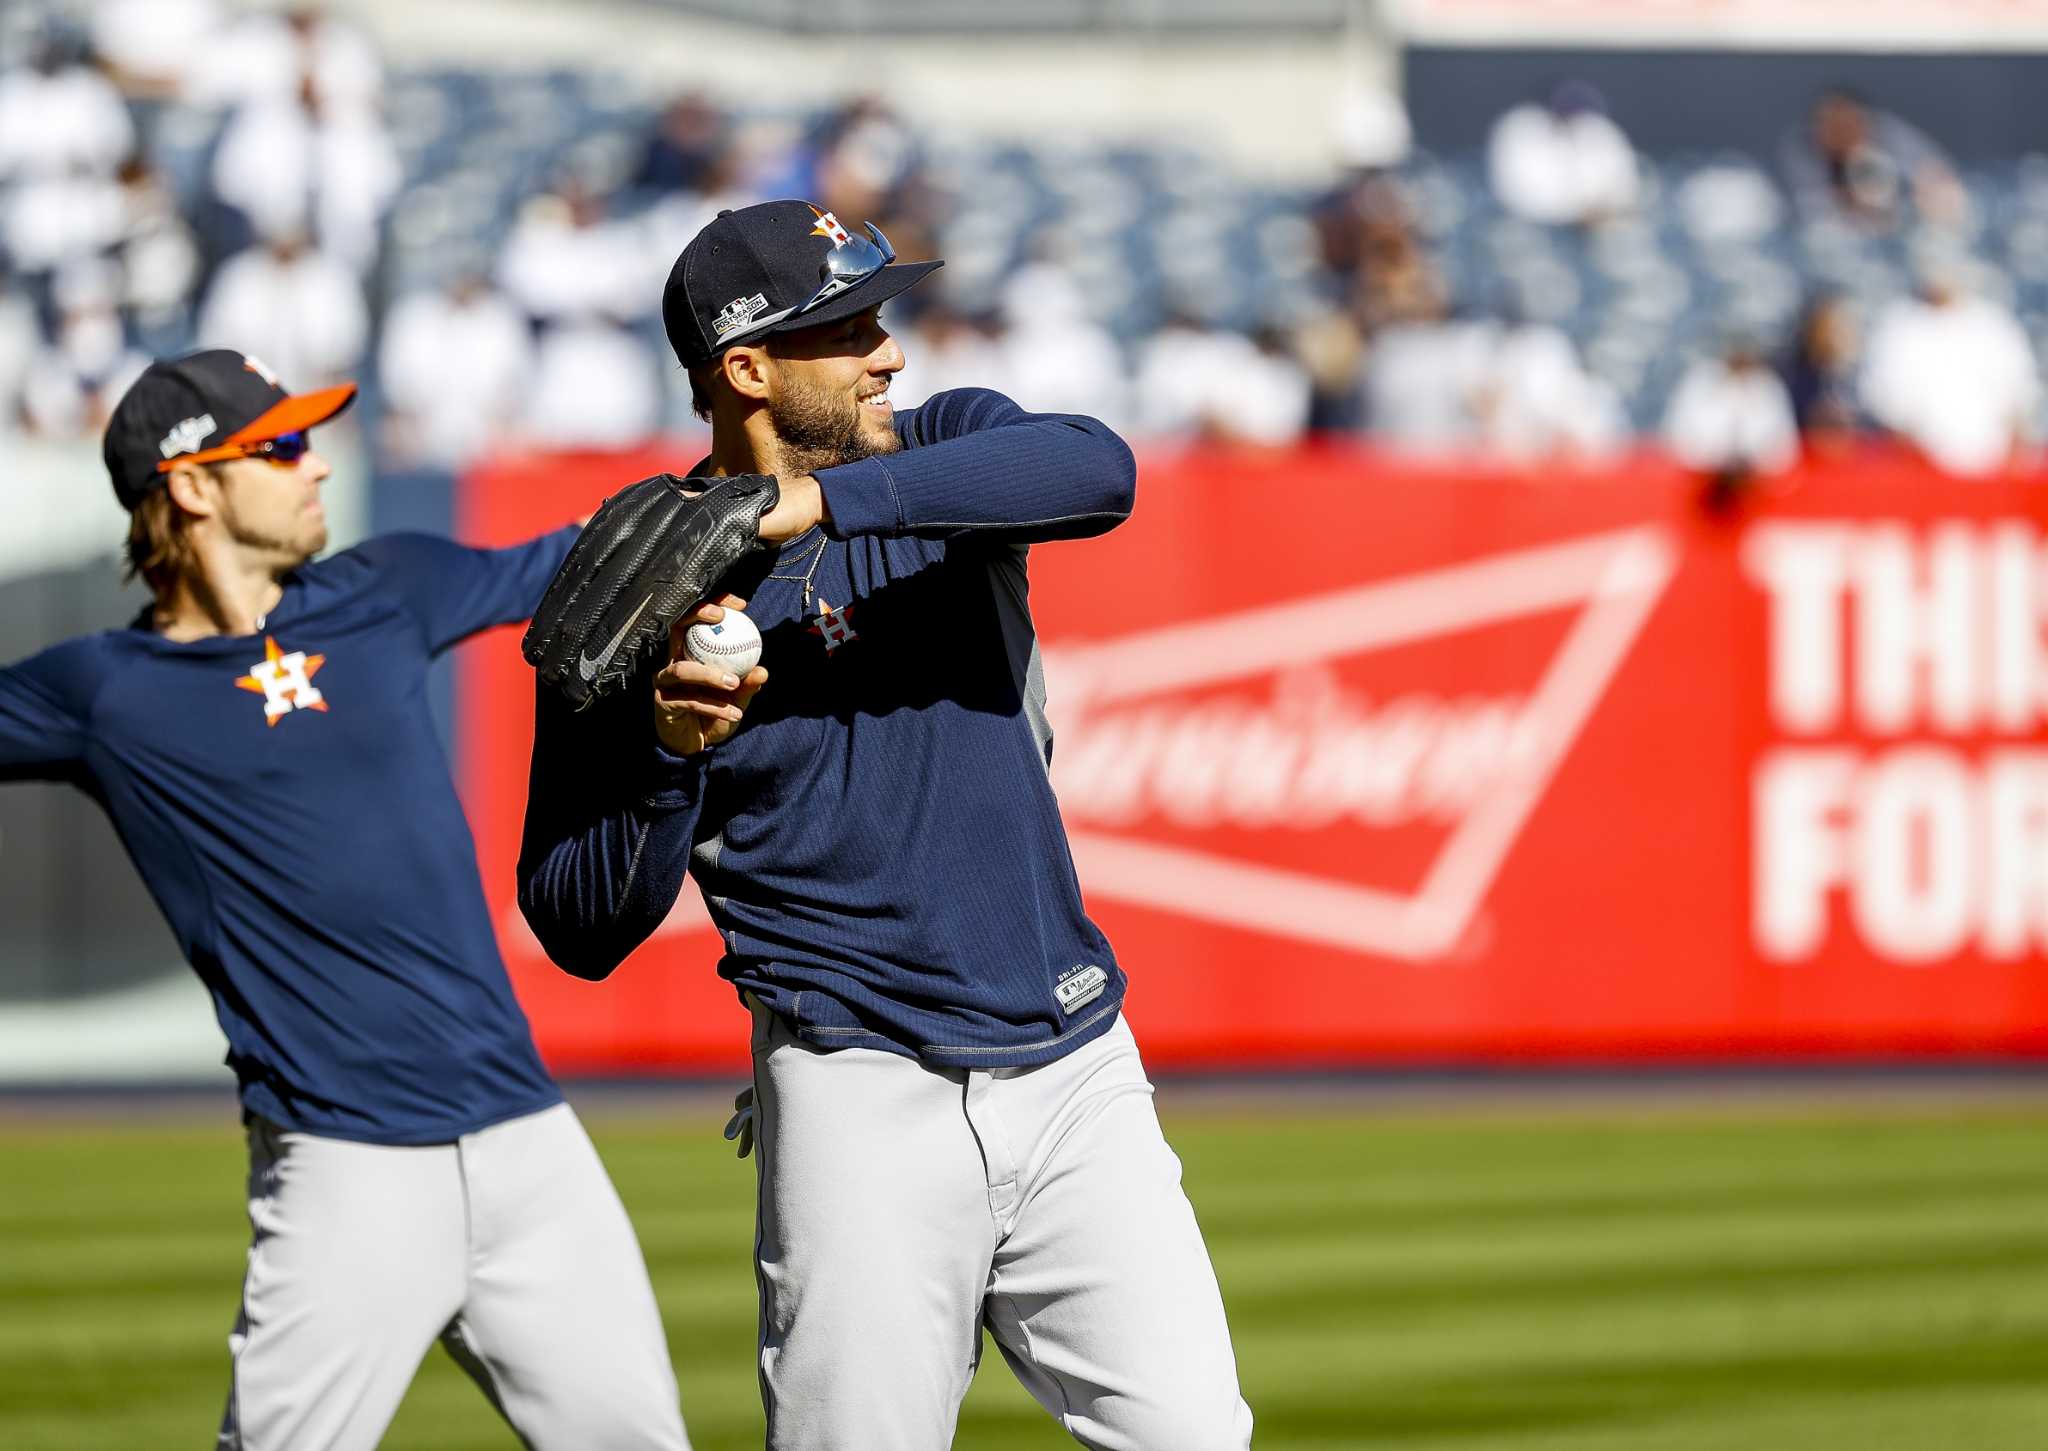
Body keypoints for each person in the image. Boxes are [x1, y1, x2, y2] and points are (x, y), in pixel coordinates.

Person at [518, 199, 1254, 1450]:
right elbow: (576, 919)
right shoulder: (633, 571)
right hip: (855, 1084)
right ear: (745, 369)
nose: (887, 351)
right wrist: (665, 753)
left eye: (879, 317)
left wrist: (813, 510)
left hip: (1076, 1063)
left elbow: (1097, 468)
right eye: (846, 327)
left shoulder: (944, 452)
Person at [0, 349, 691, 1451]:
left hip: (531, 1143)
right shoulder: (100, 691)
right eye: (278, 446)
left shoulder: (389, 585)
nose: (314, 464)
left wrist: (782, 494)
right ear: (190, 484)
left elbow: (609, 561)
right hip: (343, 1168)